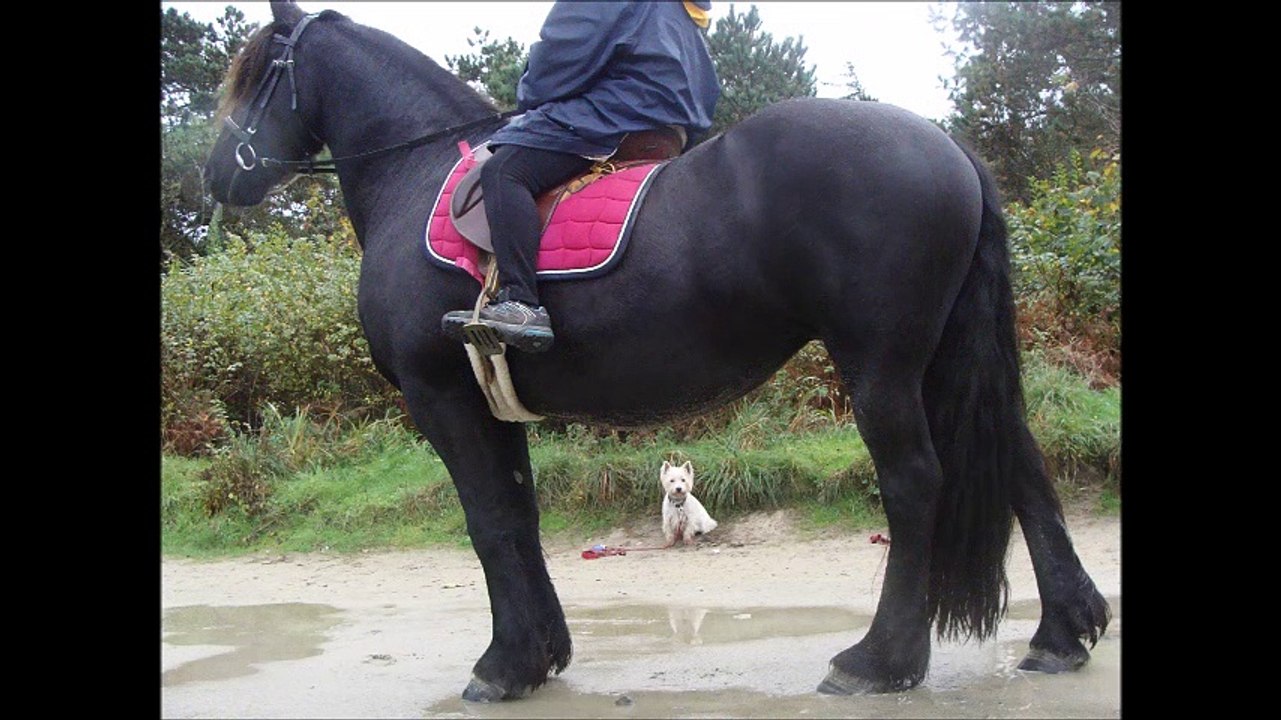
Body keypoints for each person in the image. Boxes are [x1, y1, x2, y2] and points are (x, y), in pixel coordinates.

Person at [442, 0, 720, 353]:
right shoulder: (683, 10)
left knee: (504, 171)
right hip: (670, 131)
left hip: (615, 118)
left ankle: (521, 303)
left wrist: (531, 98)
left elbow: (561, 57)